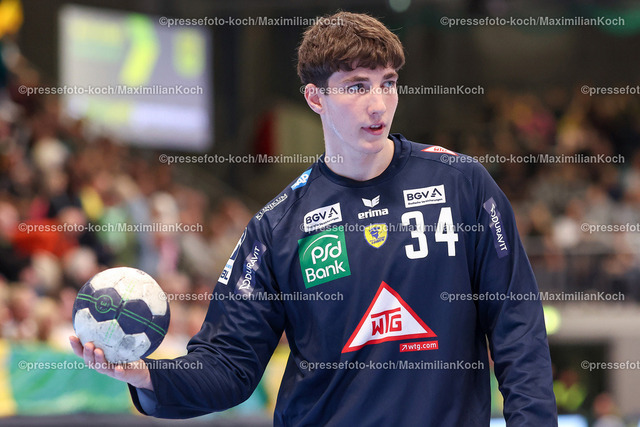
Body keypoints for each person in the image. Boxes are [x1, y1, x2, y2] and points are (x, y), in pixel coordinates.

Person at [71, 11, 558, 425]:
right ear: (314, 98)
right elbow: (228, 366)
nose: (378, 104)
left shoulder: (462, 185)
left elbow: (517, 327)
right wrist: (145, 374)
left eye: (388, 83)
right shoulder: (277, 227)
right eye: (356, 86)